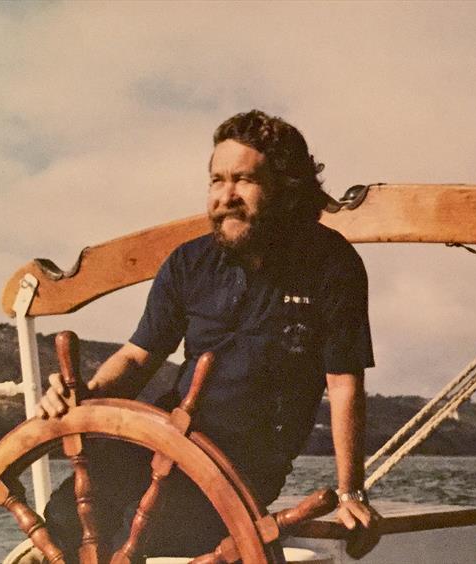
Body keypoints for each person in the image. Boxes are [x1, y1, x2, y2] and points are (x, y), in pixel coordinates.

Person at [37, 110, 375, 558]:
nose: (226, 196)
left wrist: (351, 492)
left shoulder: (332, 264)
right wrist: (81, 393)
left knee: (144, 533)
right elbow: (139, 357)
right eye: (216, 180)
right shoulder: (188, 262)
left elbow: (343, 383)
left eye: (243, 180)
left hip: (239, 469)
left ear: (287, 188)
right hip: (163, 439)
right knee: (65, 513)